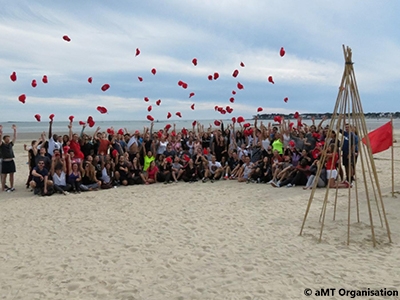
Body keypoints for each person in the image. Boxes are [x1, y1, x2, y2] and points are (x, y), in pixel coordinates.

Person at [0, 124, 17, 192]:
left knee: (11, 175)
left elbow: (14, 138)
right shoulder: (2, 145)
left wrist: (15, 130)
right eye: (7, 139)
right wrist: (1, 132)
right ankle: (3, 187)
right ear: (4, 139)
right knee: (4, 176)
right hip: (4, 161)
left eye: (9, 138)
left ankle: (12, 186)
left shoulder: (10, 144)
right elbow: (0, 140)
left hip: (11, 161)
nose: (8, 139)